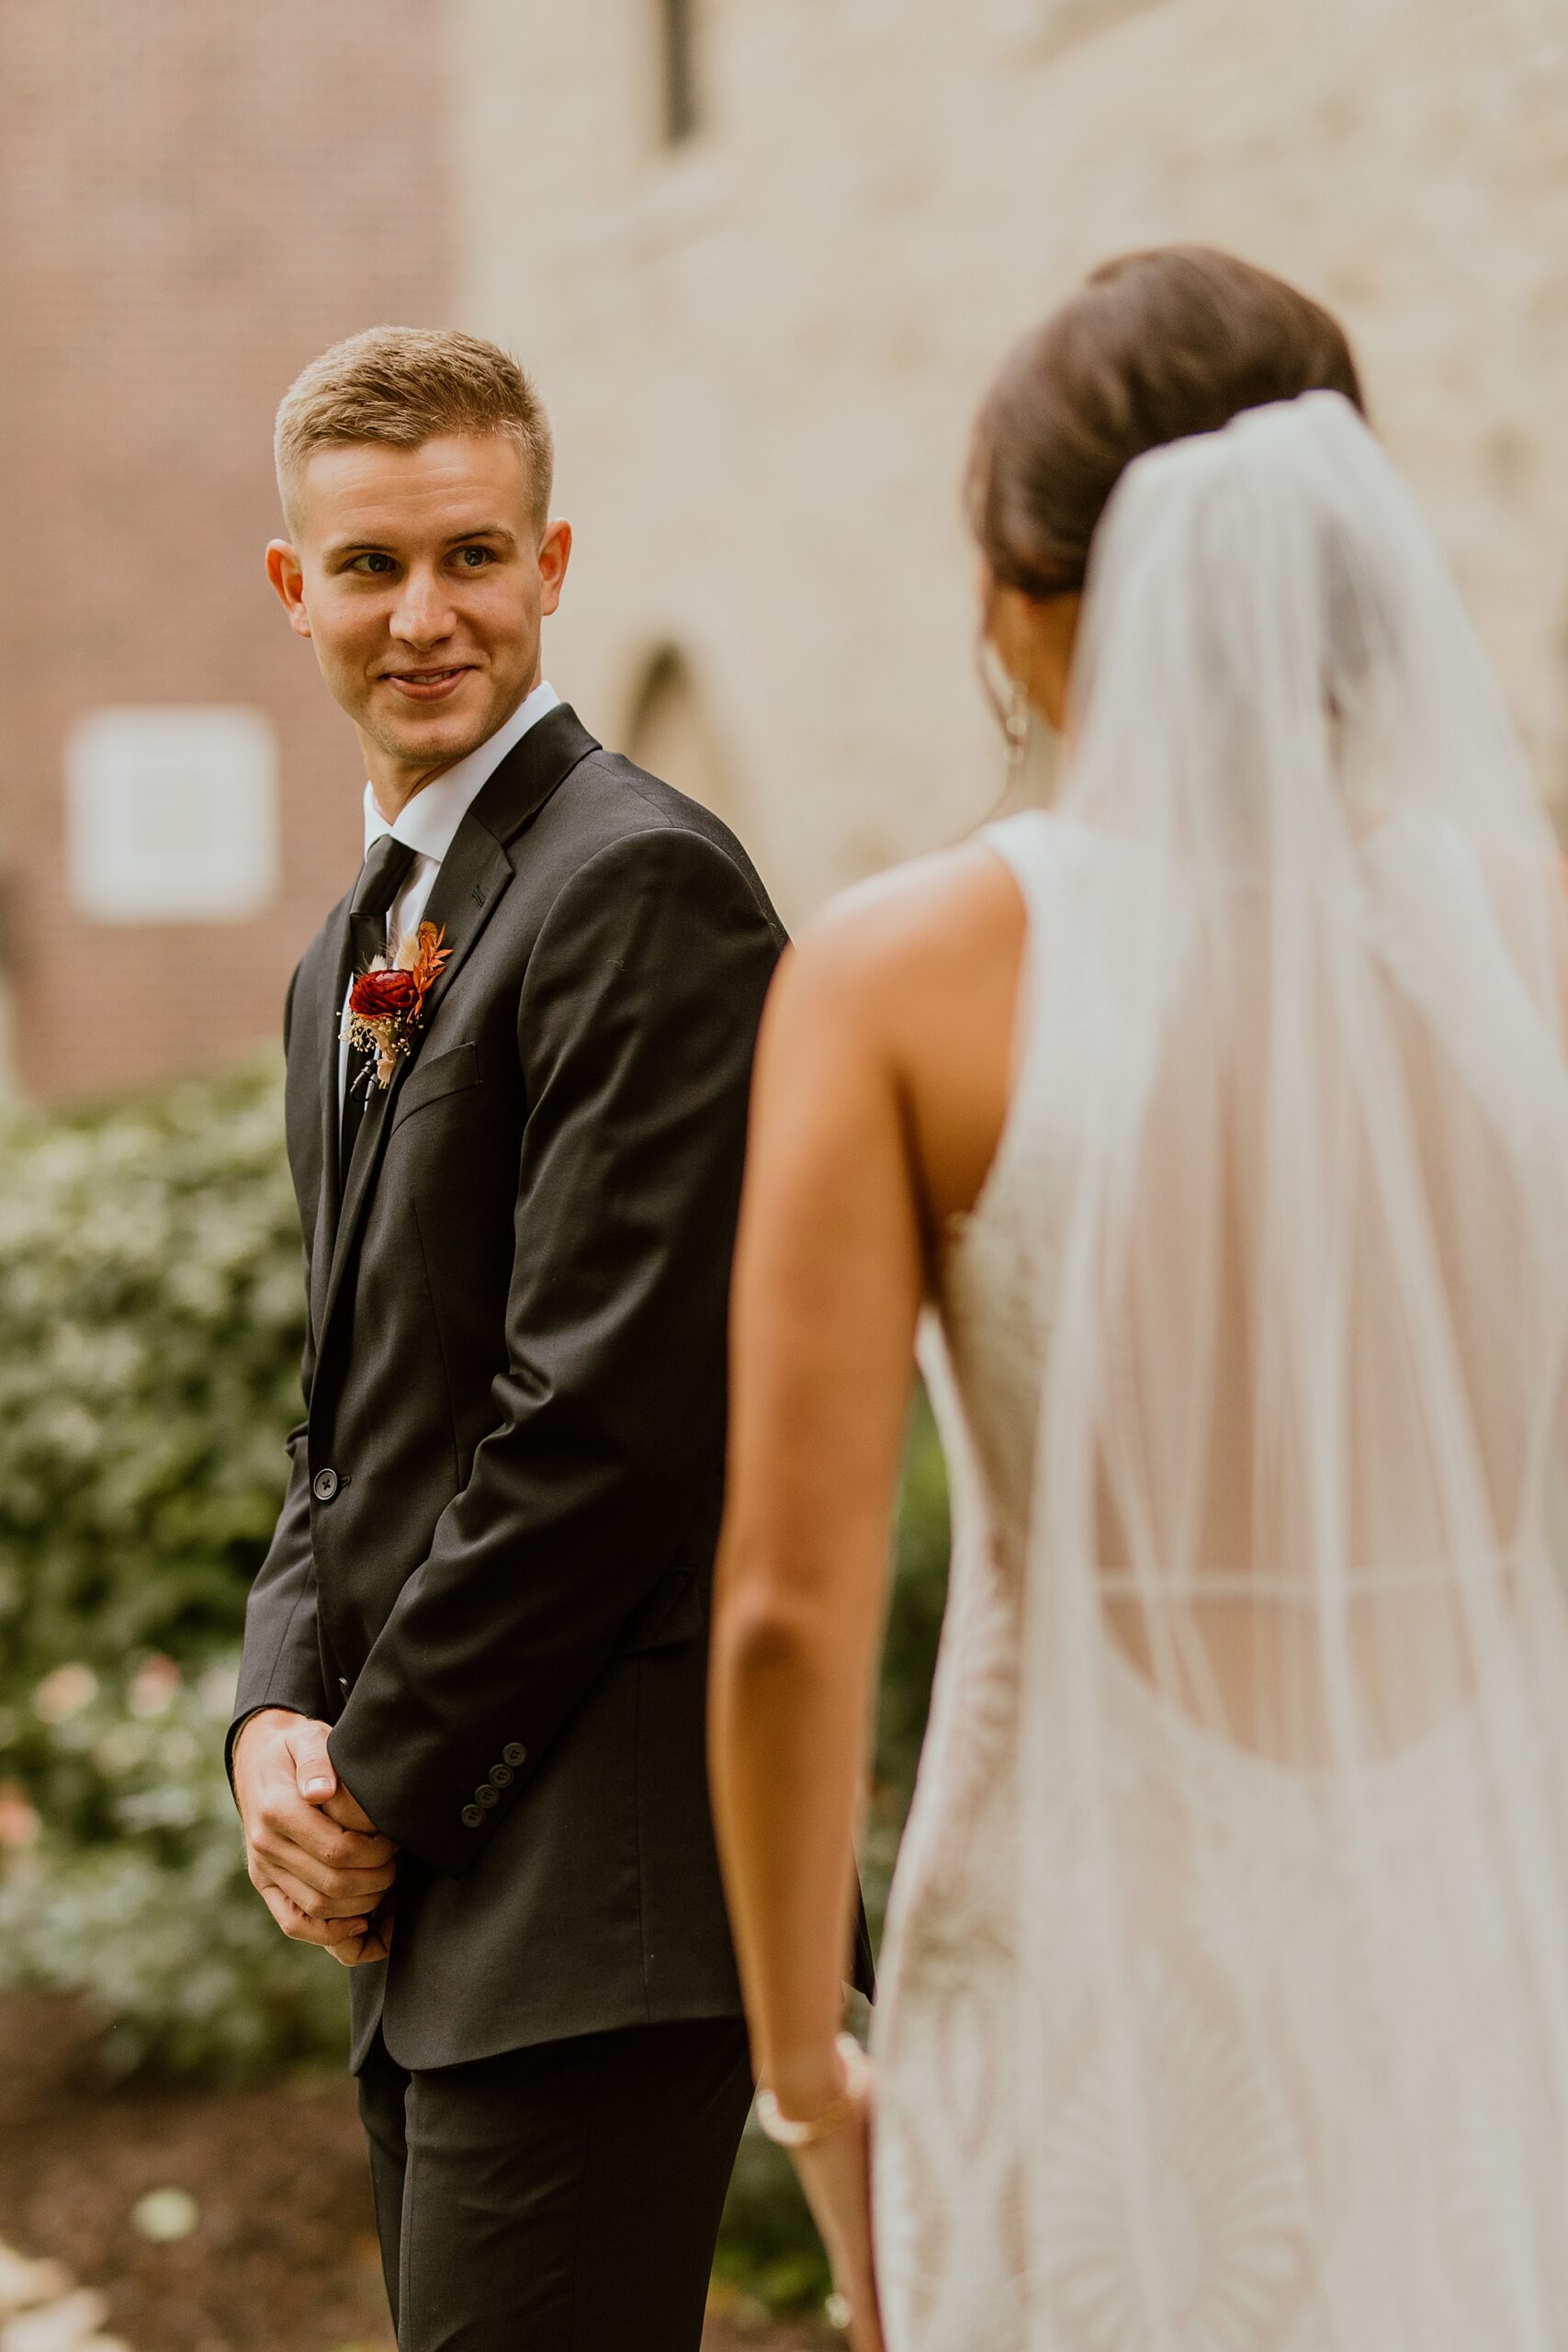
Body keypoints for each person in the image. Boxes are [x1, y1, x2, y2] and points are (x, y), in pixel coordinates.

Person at [710, 246, 1568, 2350]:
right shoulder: (1524, 943)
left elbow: (781, 1612)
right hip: (1488, 1948)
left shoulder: (906, 973)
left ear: (1012, 587)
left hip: (1097, 1978)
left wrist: (809, 2089)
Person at [226, 325, 871, 2352]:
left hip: (594, 1892)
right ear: (292, 588)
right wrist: (268, 1715)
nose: (424, 616)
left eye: (472, 554)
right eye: (368, 567)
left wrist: (379, 1787)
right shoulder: (349, 947)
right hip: (439, 1903)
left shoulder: (640, 886)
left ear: (552, 557)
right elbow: (349, 1418)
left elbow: (601, 1422)